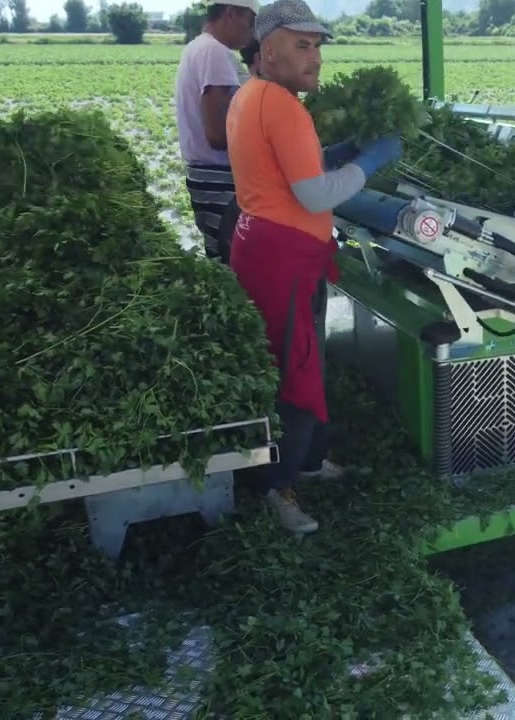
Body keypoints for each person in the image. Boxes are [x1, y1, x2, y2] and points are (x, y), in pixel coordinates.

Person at [225, 0, 403, 534]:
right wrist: (368, 163)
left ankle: (308, 461)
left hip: (272, 249)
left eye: (318, 46)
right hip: (282, 259)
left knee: (303, 360)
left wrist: (341, 150)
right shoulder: (277, 104)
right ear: (269, 49)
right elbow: (314, 192)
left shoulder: (254, 96)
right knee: (293, 370)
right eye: (303, 45)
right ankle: (276, 490)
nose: (315, 58)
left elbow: (295, 164)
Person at [174, 0, 257, 263]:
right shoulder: (215, 52)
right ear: (231, 14)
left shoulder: (198, 47)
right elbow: (219, 135)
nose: (252, 31)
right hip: (219, 177)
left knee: (223, 259)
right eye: (250, 21)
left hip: (205, 175)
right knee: (235, 264)